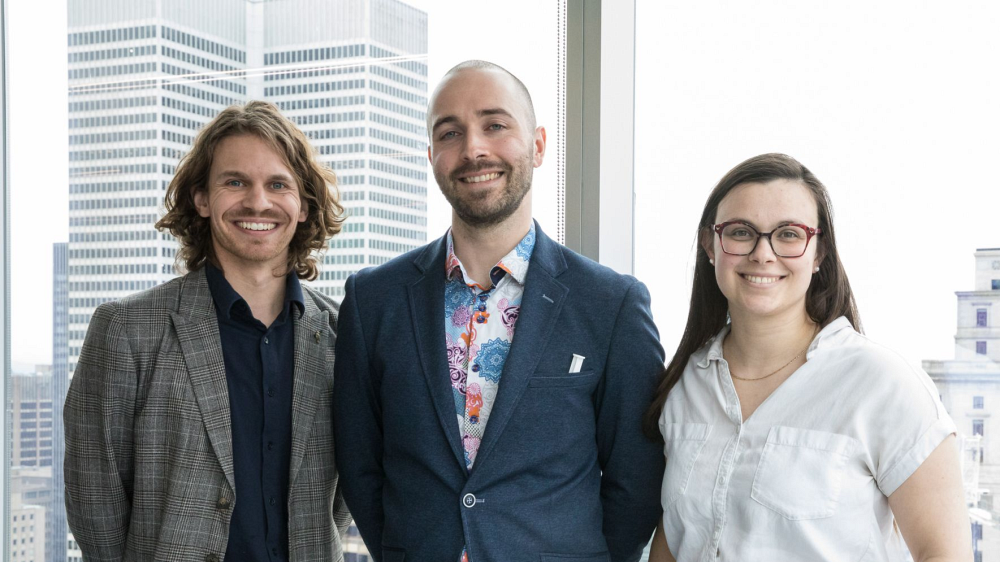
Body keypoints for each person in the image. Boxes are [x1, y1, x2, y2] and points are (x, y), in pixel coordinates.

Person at [332, 60, 665, 562]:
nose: (473, 149)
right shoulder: (371, 300)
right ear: (431, 156)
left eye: (494, 125)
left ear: (536, 144)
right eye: (450, 133)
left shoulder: (611, 304)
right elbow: (360, 466)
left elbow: (636, 478)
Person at [645, 153, 971, 561]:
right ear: (710, 245)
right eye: (741, 232)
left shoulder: (883, 385)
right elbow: (675, 538)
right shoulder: (686, 386)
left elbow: (944, 553)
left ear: (819, 254)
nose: (763, 254)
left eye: (788, 234)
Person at [64, 101, 351, 561]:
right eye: (235, 182)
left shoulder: (344, 336)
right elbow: (94, 501)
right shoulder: (126, 330)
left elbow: (337, 503)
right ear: (201, 198)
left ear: (303, 206)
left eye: (278, 184)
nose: (258, 201)